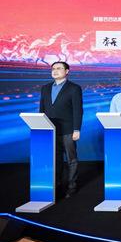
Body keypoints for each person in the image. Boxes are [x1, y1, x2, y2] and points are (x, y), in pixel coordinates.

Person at [39, 61, 83, 198]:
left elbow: (78, 110)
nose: (55, 71)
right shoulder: (45, 88)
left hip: (68, 130)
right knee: (55, 160)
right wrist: (41, 126)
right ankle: (57, 185)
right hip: (51, 131)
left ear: (67, 71)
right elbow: (42, 109)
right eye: (53, 68)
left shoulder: (74, 88)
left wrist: (77, 129)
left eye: (59, 68)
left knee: (71, 160)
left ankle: (71, 186)